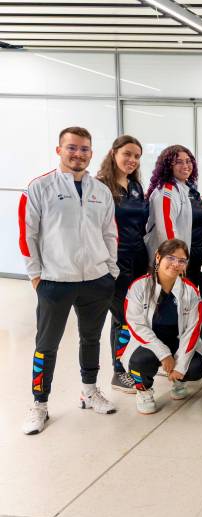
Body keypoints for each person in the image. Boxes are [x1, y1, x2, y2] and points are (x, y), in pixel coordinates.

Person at [19, 126, 119, 435]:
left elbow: (109, 233)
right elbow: (27, 235)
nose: (78, 154)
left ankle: (89, 391)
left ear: (91, 153)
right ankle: (39, 404)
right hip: (55, 280)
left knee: (91, 339)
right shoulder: (39, 187)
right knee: (46, 345)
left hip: (96, 280)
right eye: (72, 148)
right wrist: (36, 275)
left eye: (84, 149)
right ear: (59, 150)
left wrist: (110, 270)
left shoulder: (100, 190)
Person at [123, 239, 202, 414]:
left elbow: (192, 330)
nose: (176, 264)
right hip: (148, 343)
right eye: (171, 258)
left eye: (182, 260)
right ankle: (143, 391)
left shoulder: (190, 291)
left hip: (177, 341)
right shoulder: (139, 287)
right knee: (139, 362)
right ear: (158, 257)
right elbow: (136, 326)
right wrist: (164, 354)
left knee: (196, 367)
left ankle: (179, 381)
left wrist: (180, 366)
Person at [95, 135, 149, 394]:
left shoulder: (136, 186)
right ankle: (119, 371)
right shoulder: (100, 187)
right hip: (114, 261)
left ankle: (133, 361)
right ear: (114, 152)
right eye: (127, 153)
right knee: (121, 317)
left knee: (137, 313)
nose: (132, 160)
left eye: (137, 156)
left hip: (138, 259)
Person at [145, 145, 202, 286]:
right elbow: (167, 231)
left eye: (188, 161)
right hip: (170, 264)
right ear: (168, 166)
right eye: (179, 162)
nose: (185, 165)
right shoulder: (166, 191)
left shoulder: (186, 187)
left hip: (187, 260)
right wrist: (177, 261)